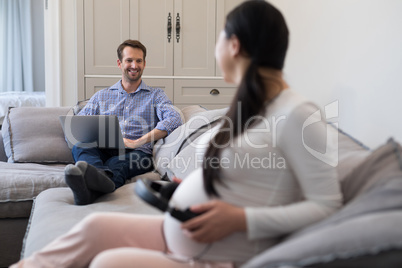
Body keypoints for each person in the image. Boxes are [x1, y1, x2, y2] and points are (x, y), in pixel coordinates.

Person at [11, 0, 342, 267]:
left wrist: (242, 220)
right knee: (93, 227)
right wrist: (189, 188)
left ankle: (103, 178)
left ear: (235, 45)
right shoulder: (252, 110)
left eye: (218, 40)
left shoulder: (298, 113)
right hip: (187, 231)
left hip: (217, 252)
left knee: (108, 262)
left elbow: (327, 205)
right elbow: (247, 179)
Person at [64, 40, 182, 205]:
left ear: (144, 64)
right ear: (120, 63)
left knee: (116, 163)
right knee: (80, 146)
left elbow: (174, 119)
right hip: (104, 149)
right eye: (129, 60)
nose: (134, 65)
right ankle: (95, 182)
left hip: (139, 153)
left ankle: (88, 187)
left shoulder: (156, 95)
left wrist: (138, 142)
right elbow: (76, 127)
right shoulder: (101, 96)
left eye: (139, 61)